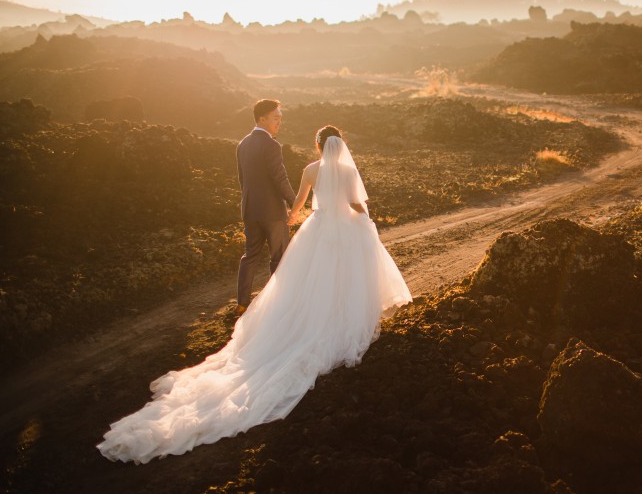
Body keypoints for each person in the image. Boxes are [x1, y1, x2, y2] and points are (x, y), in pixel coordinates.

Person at [97, 125, 412, 463]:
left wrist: (292, 219)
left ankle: (307, 318)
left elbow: (300, 203)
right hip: (344, 229)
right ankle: (339, 314)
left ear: (317, 146)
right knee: (346, 274)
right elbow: (355, 203)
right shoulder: (349, 170)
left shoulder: (309, 169)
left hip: (318, 229)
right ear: (342, 145)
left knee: (307, 281)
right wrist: (366, 222)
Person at [235, 99, 296, 314]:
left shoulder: (242, 144)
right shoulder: (271, 145)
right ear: (262, 119)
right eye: (276, 118)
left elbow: (243, 181)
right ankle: (277, 303)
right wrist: (294, 202)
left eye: (280, 118)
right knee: (279, 257)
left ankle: (242, 303)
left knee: (249, 256)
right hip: (272, 213)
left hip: (250, 210)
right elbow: (280, 178)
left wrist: (248, 204)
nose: (279, 122)